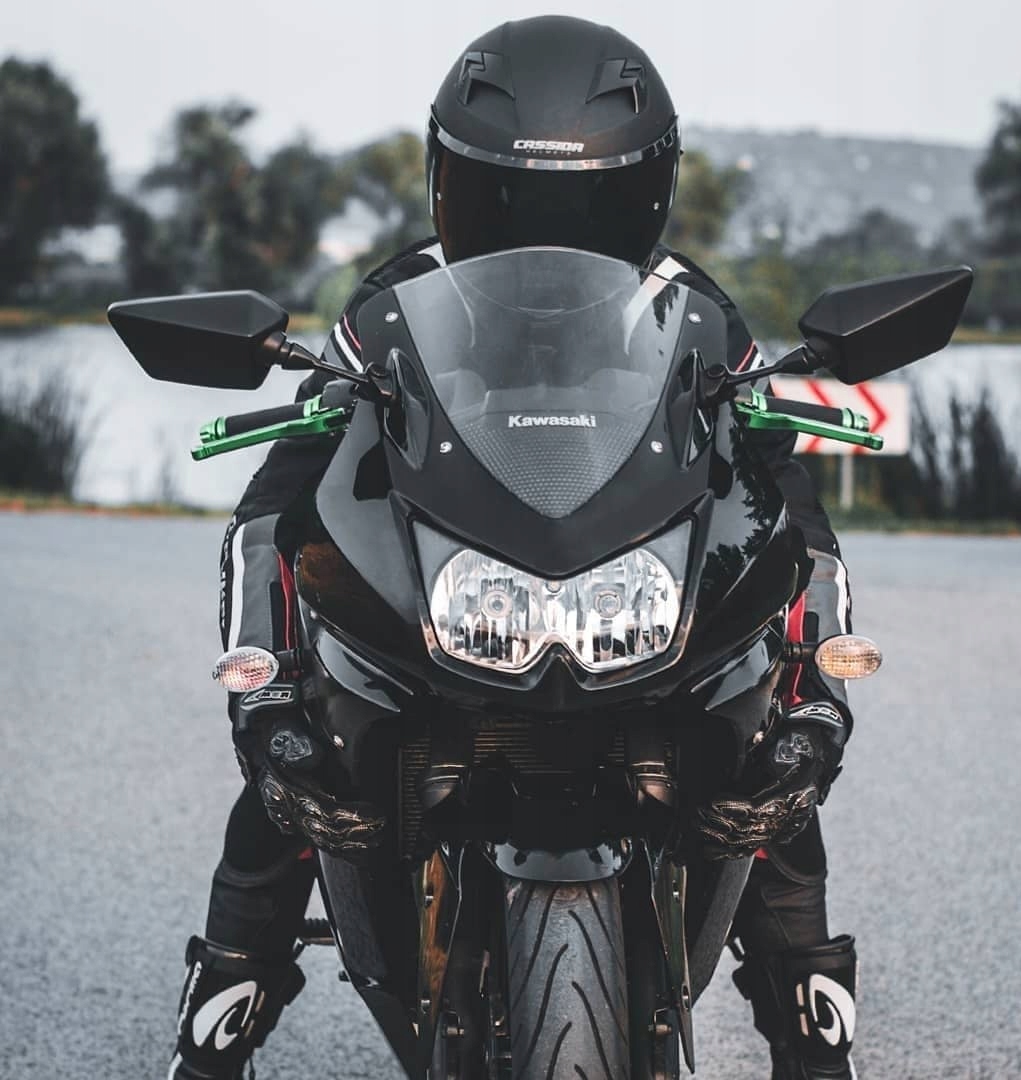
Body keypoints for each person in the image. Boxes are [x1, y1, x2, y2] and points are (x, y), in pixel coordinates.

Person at [169, 16, 857, 1080]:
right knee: (305, 766)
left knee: (757, 752)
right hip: (453, 589)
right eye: (509, 194)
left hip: (628, 592)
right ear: (456, 183)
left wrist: (817, 694)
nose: (547, 224)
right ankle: (218, 1016)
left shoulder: (694, 313)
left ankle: (813, 1036)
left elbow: (781, 489)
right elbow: (280, 494)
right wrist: (262, 690)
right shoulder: (387, 311)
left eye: (587, 199)